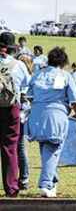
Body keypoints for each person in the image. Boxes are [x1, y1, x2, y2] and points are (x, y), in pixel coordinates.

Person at [26, 47, 76, 198]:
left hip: (37, 116)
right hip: (56, 116)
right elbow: (75, 102)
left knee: (45, 149)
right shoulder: (65, 76)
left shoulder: (38, 74)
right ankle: (46, 184)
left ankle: (53, 180)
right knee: (53, 149)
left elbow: (29, 96)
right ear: (64, 62)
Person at [0, 32, 31, 197]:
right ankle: (11, 188)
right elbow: (27, 83)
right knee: (10, 148)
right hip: (12, 108)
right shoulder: (19, 65)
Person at [17, 54, 34, 190]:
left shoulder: (22, 78)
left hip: (19, 113)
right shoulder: (32, 79)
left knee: (20, 148)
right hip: (25, 116)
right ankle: (24, 178)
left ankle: (23, 177)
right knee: (21, 148)